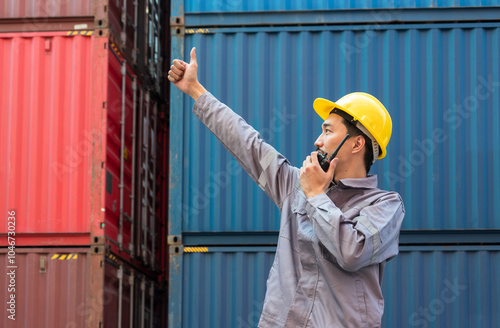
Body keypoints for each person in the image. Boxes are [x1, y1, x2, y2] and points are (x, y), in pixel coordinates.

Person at [168, 47, 405, 328]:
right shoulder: (295, 185)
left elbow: (352, 252)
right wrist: (196, 91)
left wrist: (316, 195)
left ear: (357, 144)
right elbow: (248, 143)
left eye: (328, 131)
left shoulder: (385, 205)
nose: (317, 141)